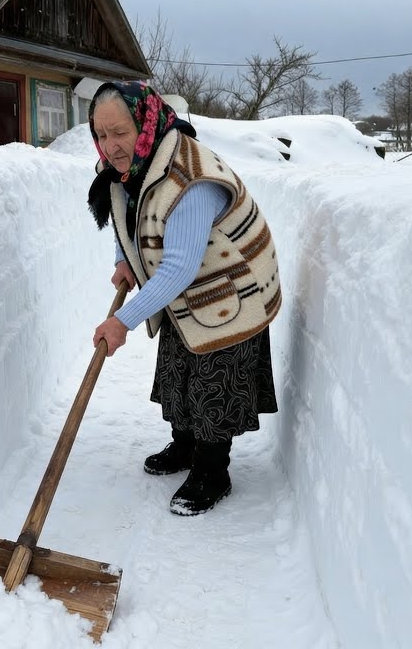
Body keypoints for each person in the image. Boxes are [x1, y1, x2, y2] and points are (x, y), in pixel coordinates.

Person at [86, 81, 282, 516]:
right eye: (101, 134)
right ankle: (185, 445)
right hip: (190, 284)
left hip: (232, 283)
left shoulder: (192, 178)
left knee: (215, 374)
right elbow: (128, 216)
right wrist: (124, 259)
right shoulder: (134, 167)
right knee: (180, 364)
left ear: (146, 121)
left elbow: (179, 268)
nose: (109, 145)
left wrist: (123, 321)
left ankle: (213, 472)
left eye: (119, 132)